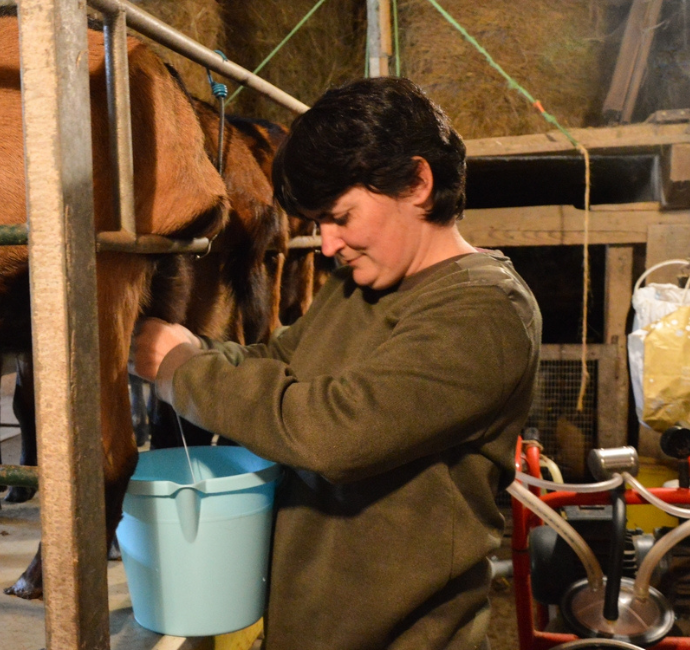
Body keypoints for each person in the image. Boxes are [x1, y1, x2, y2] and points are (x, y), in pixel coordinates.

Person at [130, 77, 541, 649]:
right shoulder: (357, 286)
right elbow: (276, 360)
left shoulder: (483, 310)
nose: (325, 246)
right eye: (318, 224)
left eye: (340, 217)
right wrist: (190, 349)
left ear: (417, 183)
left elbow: (334, 434)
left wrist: (183, 370)